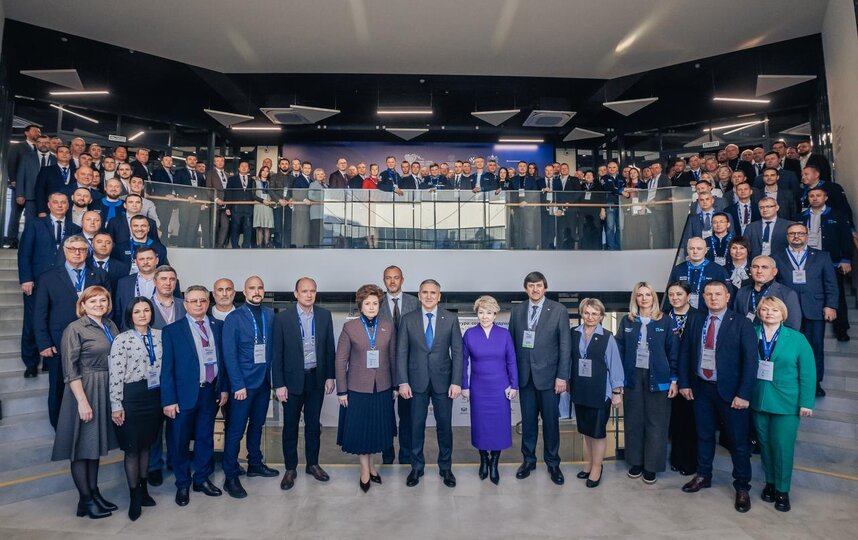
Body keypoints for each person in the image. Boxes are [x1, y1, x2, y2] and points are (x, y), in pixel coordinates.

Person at [679, 280, 758, 514]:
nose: (713, 298)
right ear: (703, 297)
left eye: (718, 294)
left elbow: (751, 361)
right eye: (709, 294)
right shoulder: (695, 320)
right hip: (701, 388)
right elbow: (685, 352)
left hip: (731, 392)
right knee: (704, 435)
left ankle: (742, 487)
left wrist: (743, 394)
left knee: (738, 443)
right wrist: (685, 383)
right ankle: (703, 476)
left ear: (727, 297)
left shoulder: (741, 323)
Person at [51, 286, 120, 519]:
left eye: (103, 300)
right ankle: (86, 499)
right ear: (83, 305)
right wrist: (82, 402)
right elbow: (70, 370)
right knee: (81, 448)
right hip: (85, 388)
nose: (99, 304)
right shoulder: (75, 328)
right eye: (93, 301)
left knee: (93, 446)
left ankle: (93, 494)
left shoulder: (110, 325)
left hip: (105, 386)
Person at [161, 286, 229, 507]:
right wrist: (169, 400)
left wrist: (223, 388)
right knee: (179, 440)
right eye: (193, 301)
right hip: (182, 396)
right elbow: (166, 369)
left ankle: (202, 478)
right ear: (185, 304)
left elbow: (223, 361)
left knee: (205, 438)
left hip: (210, 392)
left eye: (202, 300)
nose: (198, 304)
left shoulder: (218, 326)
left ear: (208, 302)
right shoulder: (172, 331)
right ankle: (183, 483)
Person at [34, 235, 110, 428]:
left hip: (93, 342)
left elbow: (108, 309)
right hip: (59, 342)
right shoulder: (48, 277)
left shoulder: (99, 275)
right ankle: (58, 428)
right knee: (59, 386)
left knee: (89, 385)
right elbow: (40, 313)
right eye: (73, 249)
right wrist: (43, 343)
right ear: (65, 251)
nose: (77, 253)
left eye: (82, 249)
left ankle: (87, 427)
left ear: (88, 252)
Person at [396, 279, 463, 488]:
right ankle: (416, 468)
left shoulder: (450, 318)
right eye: (424, 292)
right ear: (419, 295)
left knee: (444, 427)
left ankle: (446, 468)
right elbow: (401, 352)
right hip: (416, 382)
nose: (428, 296)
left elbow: (458, 352)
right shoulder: (408, 319)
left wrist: (456, 382)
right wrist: (403, 382)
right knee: (416, 427)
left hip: (444, 382)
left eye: (433, 293)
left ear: (439, 296)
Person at [751, 296, 816, 513]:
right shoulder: (751, 333)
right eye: (765, 309)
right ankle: (770, 483)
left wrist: (806, 402)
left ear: (783, 314)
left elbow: (808, 373)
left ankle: (782, 489)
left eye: (774, 310)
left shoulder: (797, 339)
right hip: (758, 398)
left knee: (782, 446)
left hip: (786, 401)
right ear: (759, 312)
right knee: (765, 444)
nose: (769, 313)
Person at [271, 277, 336, 490]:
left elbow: (329, 348)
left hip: (316, 379)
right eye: (304, 291)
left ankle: (313, 464)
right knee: (290, 427)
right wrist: (279, 384)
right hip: (291, 382)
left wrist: (330, 376)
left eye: (312, 291)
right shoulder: (283, 318)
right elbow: (276, 354)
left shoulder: (324, 316)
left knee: (313, 425)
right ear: (296, 294)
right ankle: (290, 469)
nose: (309, 295)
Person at [509, 271, 571, 485]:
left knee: (551, 423)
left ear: (545, 287)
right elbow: (511, 345)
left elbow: (565, 346)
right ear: (525, 288)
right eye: (531, 286)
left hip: (550, 378)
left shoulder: (559, 310)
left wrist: (562, 376)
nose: (535, 289)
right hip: (525, 377)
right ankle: (528, 461)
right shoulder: (517, 311)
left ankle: (553, 463)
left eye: (539, 285)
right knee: (528, 422)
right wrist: (513, 377)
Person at [335, 284, 397, 492]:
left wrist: (395, 386)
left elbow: (393, 358)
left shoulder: (388, 326)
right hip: (357, 389)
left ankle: (372, 467)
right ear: (360, 305)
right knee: (362, 432)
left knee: (376, 430)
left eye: (375, 303)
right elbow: (340, 361)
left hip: (383, 388)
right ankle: (364, 470)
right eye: (367, 303)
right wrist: (342, 391)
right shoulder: (350, 328)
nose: (371, 307)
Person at [615, 282, 678, 484]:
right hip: (632, 377)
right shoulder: (627, 321)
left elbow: (673, 351)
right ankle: (636, 462)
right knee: (633, 422)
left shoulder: (665, 321)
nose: (644, 298)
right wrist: (618, 379)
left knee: (656, 424)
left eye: (648, 294)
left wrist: (674, 380)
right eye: (640, 295)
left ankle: (652, 466)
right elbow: (619, 349)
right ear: (635, 298)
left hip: (658, 378)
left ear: (653, 298)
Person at [222, 276, 279, 498]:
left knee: (257, 425)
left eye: (260, 288)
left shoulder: (269, 315)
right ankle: (230, 476)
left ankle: (255, 463)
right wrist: (237, 385)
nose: (256, 291)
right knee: (236, 431)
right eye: (252, 288)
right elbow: (229, 355)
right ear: (244, 292)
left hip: (263, 382)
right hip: (243, 385)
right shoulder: (234, 318)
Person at [108, 297, 163, 520]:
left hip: (154, 395)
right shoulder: (122, 339)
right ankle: (134, 497)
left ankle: (145, 490)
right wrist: (116, 405)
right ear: (130, 315)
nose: (142, 315)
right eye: (137, 311)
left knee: (147, 445)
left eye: (146, 310)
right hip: (131, 396)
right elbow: (115, 375)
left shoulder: (160, 336)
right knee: (132, 449)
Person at [19, 192, 81, 377]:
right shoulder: (35, 225)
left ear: (68, 206)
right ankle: (31, 363)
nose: (60, 205)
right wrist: (26, 278)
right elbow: (24, 253)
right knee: (32, 321)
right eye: (56, 202)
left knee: (54, 321)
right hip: (36, 282)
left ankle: (49, 359)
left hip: (61, 283)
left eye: (63, 202)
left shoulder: (74, 228)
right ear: (49, 204)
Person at [772, 223, 838, 397]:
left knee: (815, 347)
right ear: (787, 237)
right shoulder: (776, 257)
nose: (796, 236)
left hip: (814, 309)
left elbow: (831, 283)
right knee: (787, 348)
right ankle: (789, 381)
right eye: (792, 233)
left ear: (807, 236)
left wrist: (831, 305)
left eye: (800, 233)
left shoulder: (822, 256)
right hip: (786, 311)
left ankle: (814, 383)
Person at [461, 295, 518, 484]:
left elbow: (511, 361)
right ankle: (483, 459)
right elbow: (462, 362)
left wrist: (514, 385)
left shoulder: (504, 334)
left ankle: (494, 463)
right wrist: (464, 386)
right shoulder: (469, 334)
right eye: (481, 312)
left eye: (489, 313)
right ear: (477, 314)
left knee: (499, 427)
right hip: (478, 389)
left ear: (495, 315)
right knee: (480, 426)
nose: (485, 316)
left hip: (500, 389)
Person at [569, 298, 624, 488]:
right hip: (580, 390)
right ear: (582, 314)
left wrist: (616, 392)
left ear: (601, 316)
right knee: (586, 430)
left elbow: (615, 365)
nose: (590, 317)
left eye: (594, 313)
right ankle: (590, 462)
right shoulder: (574, 333)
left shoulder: (608, 337)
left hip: (601, 391)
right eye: (586, 313)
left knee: (598, 432)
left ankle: (597, 467)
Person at [377, 265, 420, 464]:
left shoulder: (415, 302)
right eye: (388, 278)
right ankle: (387, 455)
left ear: (402, 280)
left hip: (409, 370)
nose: (392, 281)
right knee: (384, 415)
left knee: (407, 416)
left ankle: (405, 455)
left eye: (396, 277)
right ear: (384, 280)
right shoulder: (376, 302)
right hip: (383, 369)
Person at [801, 186, 853, 342]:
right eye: (811, 196)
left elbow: (846, 238)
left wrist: (846, 260)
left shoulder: (837, 215)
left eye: (818, 195)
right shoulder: (801, 216)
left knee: (837, 295)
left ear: (826, 198)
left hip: (832, 262)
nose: (815, 198)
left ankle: (841, 329)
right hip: (808, 263)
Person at [665, 282, 697, 476]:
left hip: (689, 378)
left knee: (689, 422)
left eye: (679, 294)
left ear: (688, 296)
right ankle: (676, 459)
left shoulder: (698, 316)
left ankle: (689, 462)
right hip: (667, 376)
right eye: (671, 294)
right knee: (673, 421)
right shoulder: (663, 316)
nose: (675, 298)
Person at [732, 256, 802, 330]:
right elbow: (736, 319)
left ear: (774, 271)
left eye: (764, 267)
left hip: (774, 336)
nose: (759, 271)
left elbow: (793, 326)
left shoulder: (788, 294)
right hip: (745, 335)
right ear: (750, 270)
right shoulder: (742, 292)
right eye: (755, 267)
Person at [667, 237, 729, 310]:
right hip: (683, 312)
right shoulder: (677, 270)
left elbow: (727, 295)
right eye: (691, 248)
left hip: (709, 313)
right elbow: (669, 294)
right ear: (687, 250)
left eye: (699, 248)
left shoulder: (719, 270)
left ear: (706, 250)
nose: (695, 251)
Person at [225, 161, 255, 249]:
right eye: (242, 166)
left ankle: (246, 246)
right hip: (236, 207)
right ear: (238, 168)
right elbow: (228, 193)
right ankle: (235, 246)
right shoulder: (232, 179)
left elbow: (254, 194)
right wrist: (228, 207)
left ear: (248, 169)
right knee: (235, 227)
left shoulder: (252, 180)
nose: (244, 168)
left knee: (248, 228)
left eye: (246, 166)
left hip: (248, 207)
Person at [253, 165, 275, 248]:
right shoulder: (255, 182)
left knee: (267, 226)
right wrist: (262, 200)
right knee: (259, 227)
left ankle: (266, 245)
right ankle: (259, 246)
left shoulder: (270, 183)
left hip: (268, 206)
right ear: (260, 172)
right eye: (263, 170)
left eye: (267, 171)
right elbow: (253, 195)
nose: (265, 172)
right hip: (259, 205)